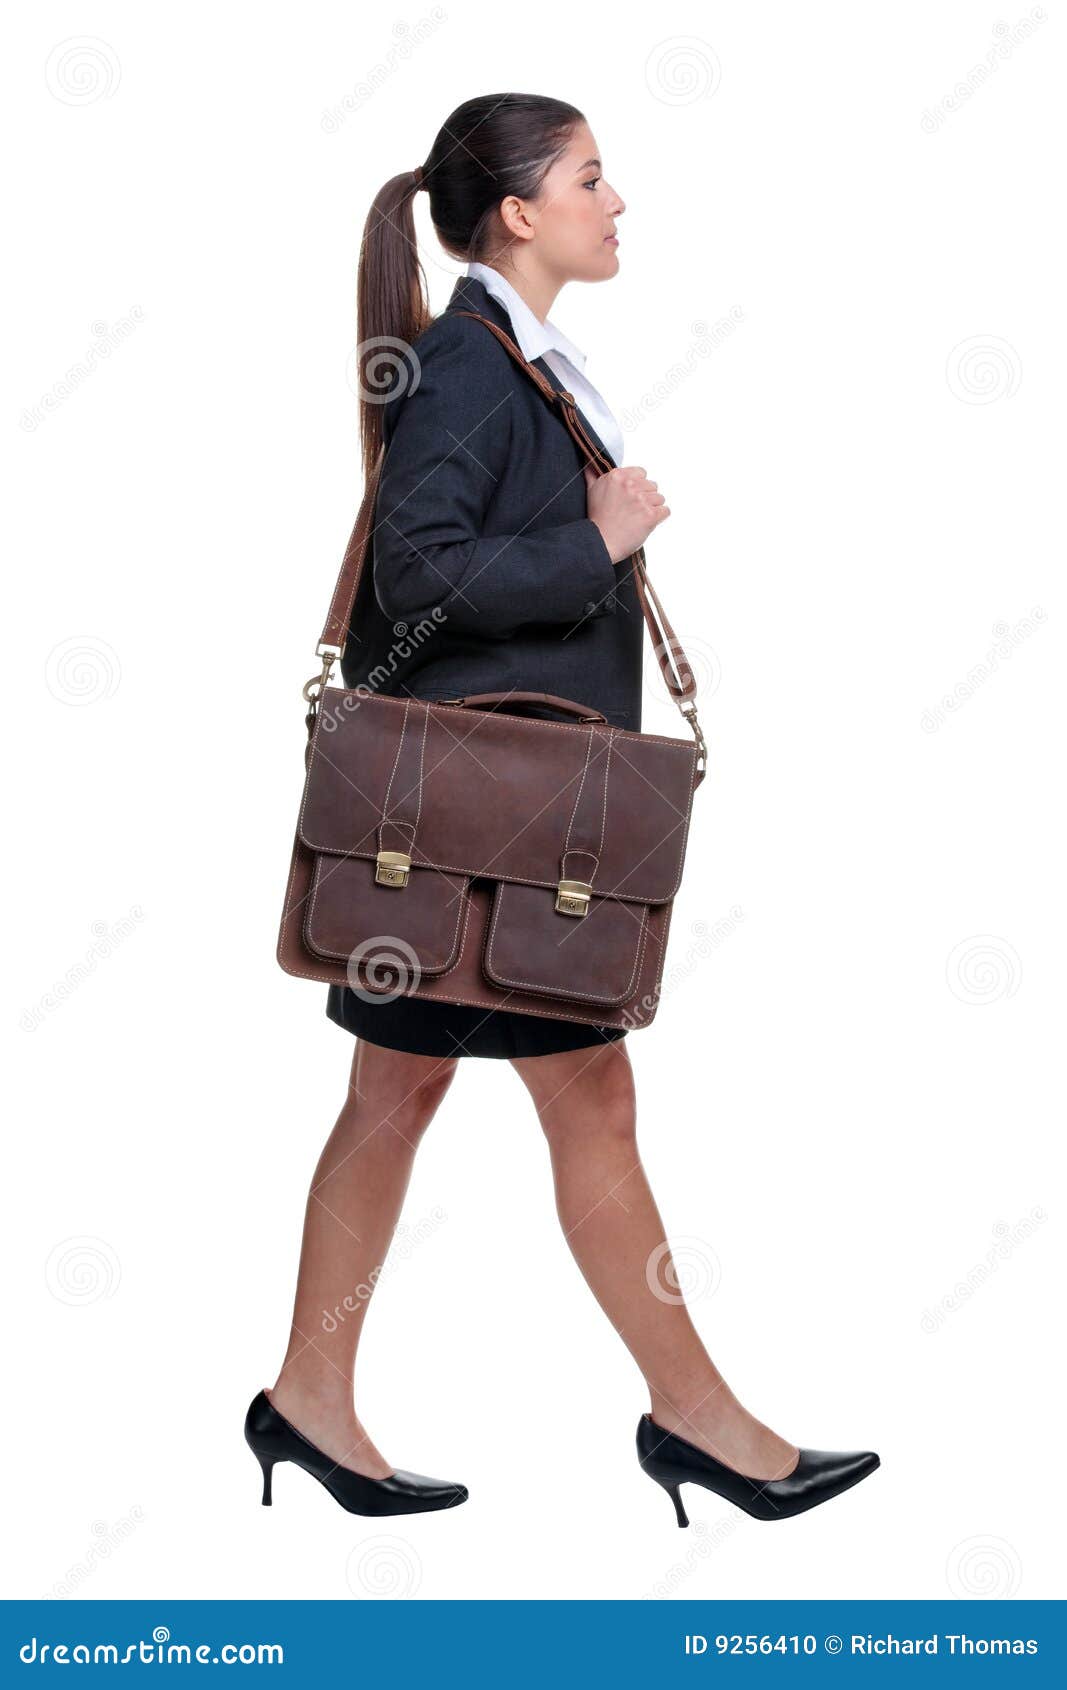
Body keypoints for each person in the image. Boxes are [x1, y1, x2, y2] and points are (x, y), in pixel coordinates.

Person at [245, 93, 879, 1527]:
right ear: (519, 214)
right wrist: (594, 537)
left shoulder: (513, 364)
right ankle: (697, 1416)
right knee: (571, 1094)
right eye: (592, 178)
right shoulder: (475, 369)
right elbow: (414, 575)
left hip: (465, 852)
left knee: (397, 1095)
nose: (617, 201)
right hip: (496, 849)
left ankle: (310, 1395)